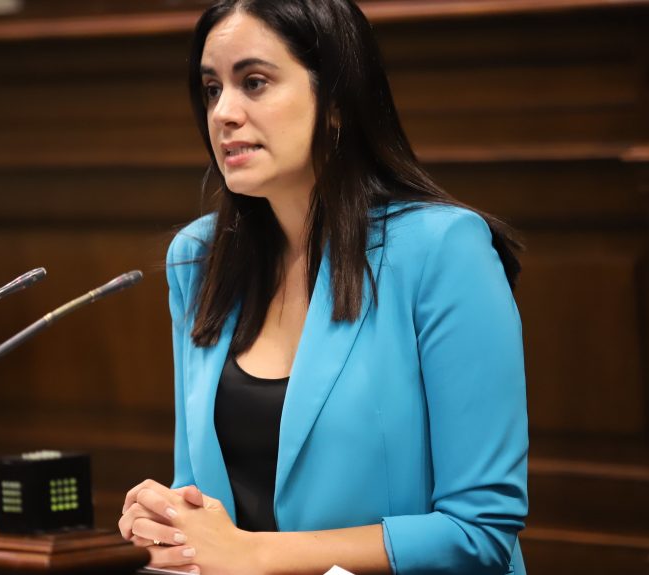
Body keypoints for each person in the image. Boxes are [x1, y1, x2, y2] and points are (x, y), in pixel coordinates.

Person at [118, 1, 529, 573]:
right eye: (212, 89)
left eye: (254, 82)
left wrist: (253, 552)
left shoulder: (443, 250)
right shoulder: (199, 257)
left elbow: (479, 531)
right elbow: (201, 499)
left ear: (336, 102)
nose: (223, 113)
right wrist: (170, 524)